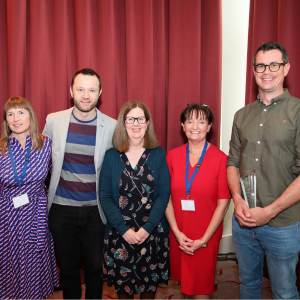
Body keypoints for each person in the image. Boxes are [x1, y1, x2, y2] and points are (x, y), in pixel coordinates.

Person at [227, 41, 300, 299]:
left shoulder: (298, 112)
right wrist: (237, 201)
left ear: (286, 68)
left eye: (274, 64)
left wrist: (269, 212)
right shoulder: (241, 115)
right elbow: (232, 163)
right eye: (260, 65)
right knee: (248, 285)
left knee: (284, 292)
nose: (266, 70)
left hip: (283, 224)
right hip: (244, 221)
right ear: (254, 70)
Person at [42, 68, 116, 299]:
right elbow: (40, 158)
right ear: (71, 91)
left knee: (95, 269)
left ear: (100, 93)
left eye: (91, 90)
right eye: (80, 89)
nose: (86, 95)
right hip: (61, 210)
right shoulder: (54, 121)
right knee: (69, 271)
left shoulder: (112, 126)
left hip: (96, 211)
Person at [99, 100, 170, 299]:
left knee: (149, 291)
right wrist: (124, 230)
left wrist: (146, 230)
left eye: (140, 119)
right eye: (131, 119)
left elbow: (164, 195)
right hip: (121, 235)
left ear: (147, 123)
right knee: (124, 294)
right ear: (123, 123)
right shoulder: (112, 156)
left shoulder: (158, 154)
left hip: (152, 234)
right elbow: (105, 196)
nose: (136, 123)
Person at [165, 103, 231, 299]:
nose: (195, 126)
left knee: (201, 289)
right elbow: (165, 197)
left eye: (201, 121)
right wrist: (177, 233)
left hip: (206, 235)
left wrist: (203, 240)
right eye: (190, 120)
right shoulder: (172, 156)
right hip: (180, 233)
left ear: (209, 126)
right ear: (182, 125)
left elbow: (224, 203)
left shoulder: (221, 159)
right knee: (185, 286)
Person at [0, 97, 59, 299]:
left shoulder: (46, 145)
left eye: (21, 112)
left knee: (34, 267)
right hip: (7, 218)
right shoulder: (0, 148)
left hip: (36, 214)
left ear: (31, 116)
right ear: (6, 120)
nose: (16, 118)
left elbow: (60, 177)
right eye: (10, 114)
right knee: (9, 268)